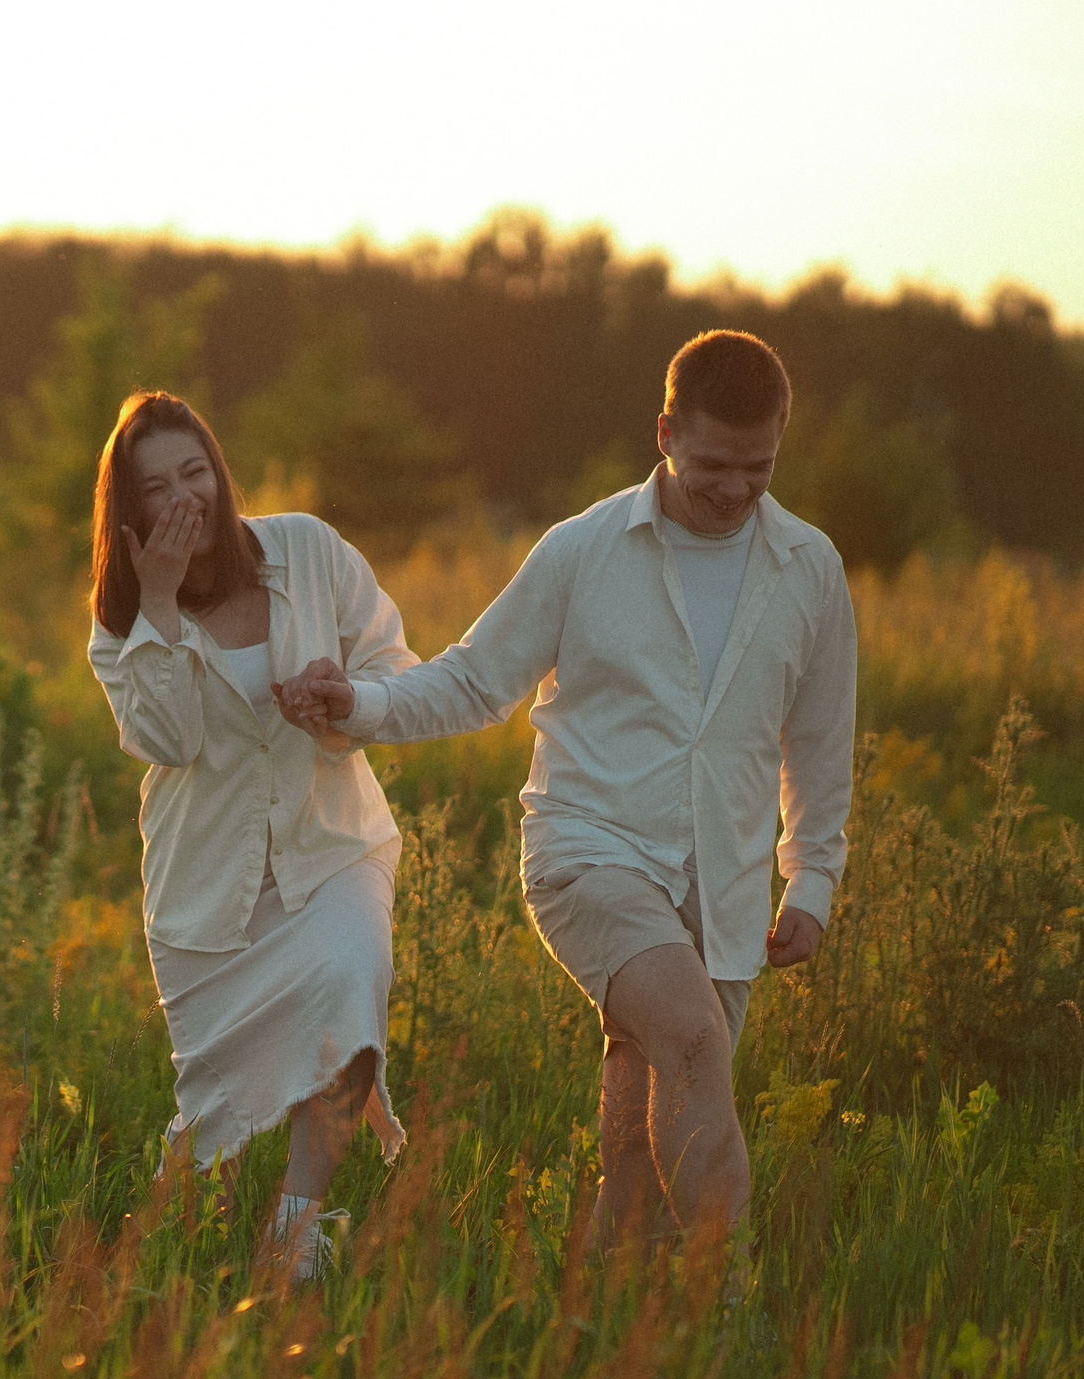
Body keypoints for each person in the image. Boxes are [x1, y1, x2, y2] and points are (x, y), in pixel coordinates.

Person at [310, 330, 856, 1253]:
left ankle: (599, 1321)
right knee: (691, 1039)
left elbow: (820, 742)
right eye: (715, 463)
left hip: (724, 883)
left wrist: (811, 882)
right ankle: (731, 1304)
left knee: (643, 1147)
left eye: (758, 468)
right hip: (588, 851)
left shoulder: (810, 569)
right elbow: (475, 680)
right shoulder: (585, 550)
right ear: (666, 433)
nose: (735, 488)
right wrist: (355, 704)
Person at [85, 391, 418, 1281]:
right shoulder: (120, 623)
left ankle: (296, 1233)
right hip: (207, 887)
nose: (184, 497)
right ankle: (173, 1250)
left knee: (353, 1003)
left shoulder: (305, 549)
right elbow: (169, 739)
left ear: (220, 471)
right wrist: (157, 601)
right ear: (131, 511)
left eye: (196, 471)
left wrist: (345, 697)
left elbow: (393, 664)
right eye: (158, 488)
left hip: (331, 848)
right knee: (216, 1114)